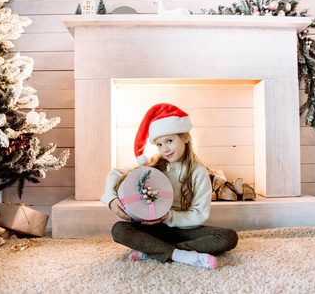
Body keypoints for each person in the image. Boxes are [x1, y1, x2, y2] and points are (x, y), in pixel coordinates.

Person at [101, 103, 238, 269]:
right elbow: (115, 173)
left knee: (228, 236)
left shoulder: (198, 172)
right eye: (159, 144)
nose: (165, 149)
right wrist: (110, 198)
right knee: (119, 229)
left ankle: (156, 251)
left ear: (185, 137)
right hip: (154, 230)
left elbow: (199, 214)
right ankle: (180, 254)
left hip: (184, 231)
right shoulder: (155, 164)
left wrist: (169, 217)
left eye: (169, 141)